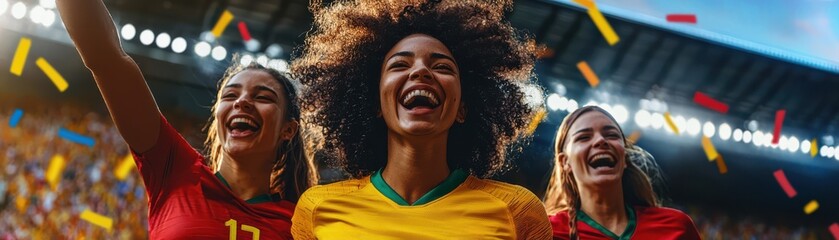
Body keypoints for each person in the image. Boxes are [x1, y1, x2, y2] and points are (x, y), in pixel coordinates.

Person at [289, 0, 552, 239]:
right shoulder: (317, 209)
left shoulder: (519, 212)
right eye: (400, 65)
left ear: (462, 108)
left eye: (442, 67)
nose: (421, 71)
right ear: (377, 105)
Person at [56, 0, 315, 238]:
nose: (242, 101)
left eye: (263, 97)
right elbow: (106, 57)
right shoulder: (174, 170)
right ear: (217, 117)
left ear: (288, 129)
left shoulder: (301, 224)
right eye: (230, 95)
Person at [544, 106, 701, 239]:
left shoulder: (677, 226)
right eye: (584, 137)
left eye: (611, 135)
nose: (600, 141)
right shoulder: (546, 232)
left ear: (624, 157)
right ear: (565, 162)